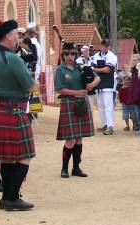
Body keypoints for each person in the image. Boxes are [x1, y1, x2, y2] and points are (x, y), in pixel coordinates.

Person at [0, 20, 39, 211]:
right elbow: (32, 86)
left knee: (7, 157)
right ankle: (11, 197)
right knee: (24, 156)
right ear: (8, 37)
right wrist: (30, 75)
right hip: (13, 110)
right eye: (16, 34)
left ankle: (6, 197)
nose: (18, 37)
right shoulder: (14, 59)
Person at [55, 42, 100, 179]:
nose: (70, 56)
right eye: (67, 54)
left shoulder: (80, 67)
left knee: (79, 139)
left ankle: (76, 168)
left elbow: (97, 77)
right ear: (62, 55)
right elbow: (60, 89)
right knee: (71, 140)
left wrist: (92, 83)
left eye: (73, 54)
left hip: (81, 103)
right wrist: (77, 92)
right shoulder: (60, 70)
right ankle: (64, 168)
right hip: (69, 103)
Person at [92, 39, 117, 135]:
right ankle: (105, 124)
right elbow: (93, 68)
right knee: (101, 105)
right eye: (104, 45)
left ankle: (110, 126)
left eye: (107, 45)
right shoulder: (96, 56)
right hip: (98, 84)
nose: (106, 47)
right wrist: (97, 70)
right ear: (101, 46)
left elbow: (107, 70)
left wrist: (96, 69)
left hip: (108, 84)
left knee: (108, 105)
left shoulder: (111, 56)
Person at [126, 54, 140, 133]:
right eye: (132, 60)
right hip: (136, 95)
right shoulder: (135, 70)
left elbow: (139, 85)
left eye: (135, 60)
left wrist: (135, 96)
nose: (133, 62)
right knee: (139, 113)